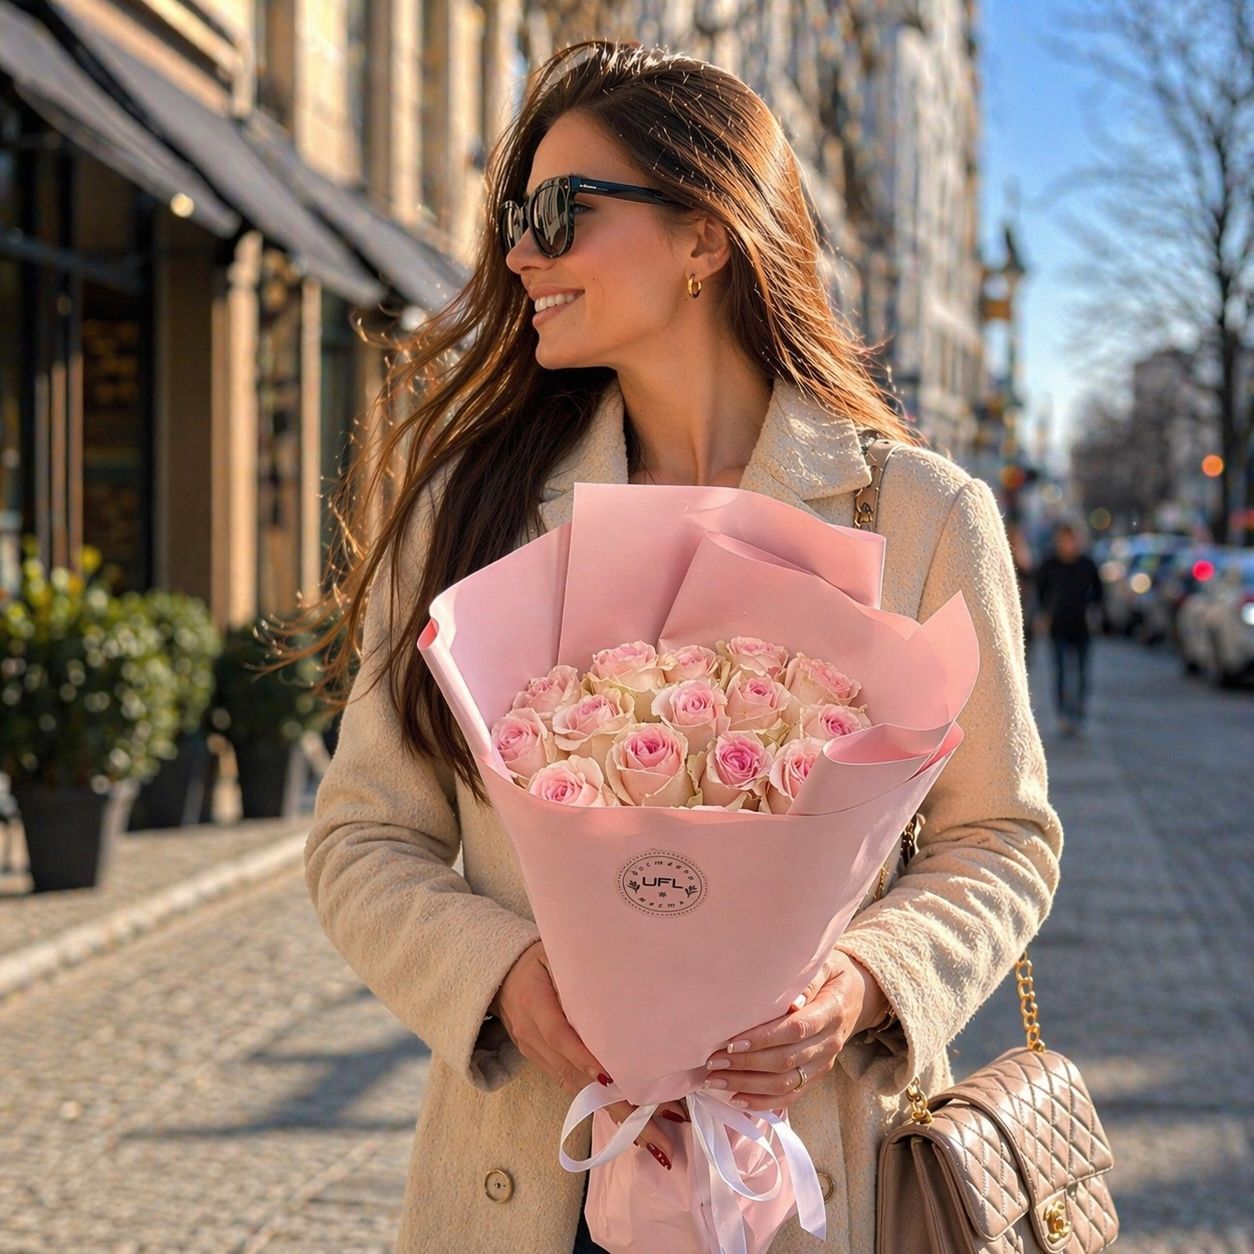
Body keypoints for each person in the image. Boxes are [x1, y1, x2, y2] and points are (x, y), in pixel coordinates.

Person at [299, 40, 1063, 1253]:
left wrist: (866, 985)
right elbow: (361, 837)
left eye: (561, 212)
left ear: (705, 236)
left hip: (808, 1169)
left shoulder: (917, 516)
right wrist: (502, 979)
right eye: (513, 218)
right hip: (534, 1175)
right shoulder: (470, 517)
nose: (518, 254)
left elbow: (1000, 837)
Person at [1036, 522, 1104, 737]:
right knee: (1061, 673)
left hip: (1082, 627)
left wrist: (1094, 612)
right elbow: (1040, 593)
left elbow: (1099, 593)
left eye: (1073, 539)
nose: (1069, 544)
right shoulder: (1049, 565)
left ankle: (1079, 714)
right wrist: (1043, 615)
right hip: (1058, 627)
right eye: (1065, 539)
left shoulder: (1087, 564)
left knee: (1082, 673)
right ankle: (1064, 715)